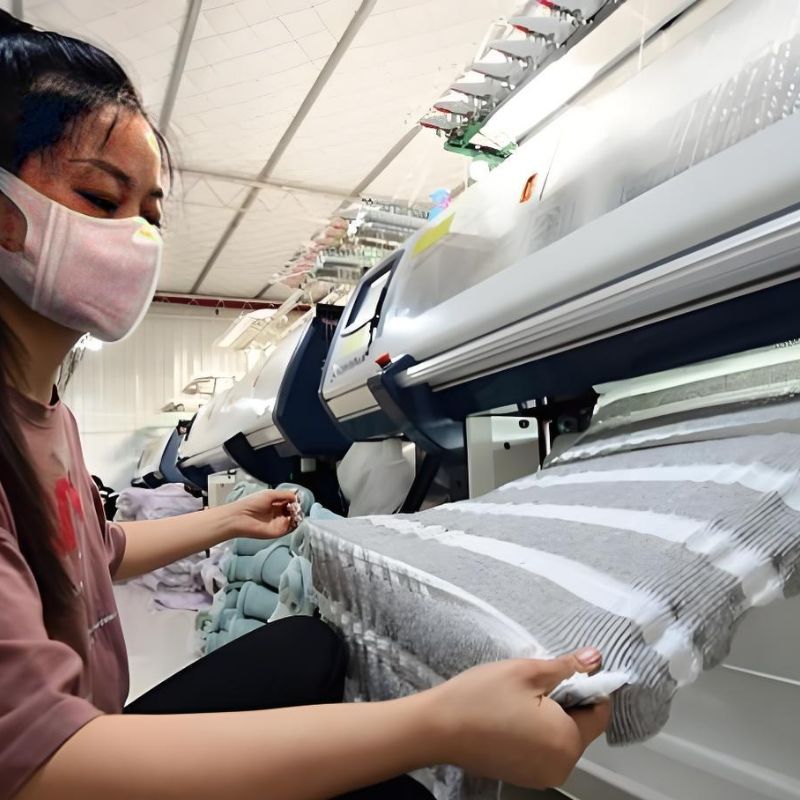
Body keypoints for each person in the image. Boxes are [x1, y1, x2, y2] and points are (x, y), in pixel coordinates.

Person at [0, 10, 610, 800]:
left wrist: (228, 520)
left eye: (151, 213)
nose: (140, 240)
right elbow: (40, 765)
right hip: (59, 771)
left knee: (307, 647)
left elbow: (92, 558)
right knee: (394, 789)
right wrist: (441, 723)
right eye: (99, 196)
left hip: (82, 722)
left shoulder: (47, 416)